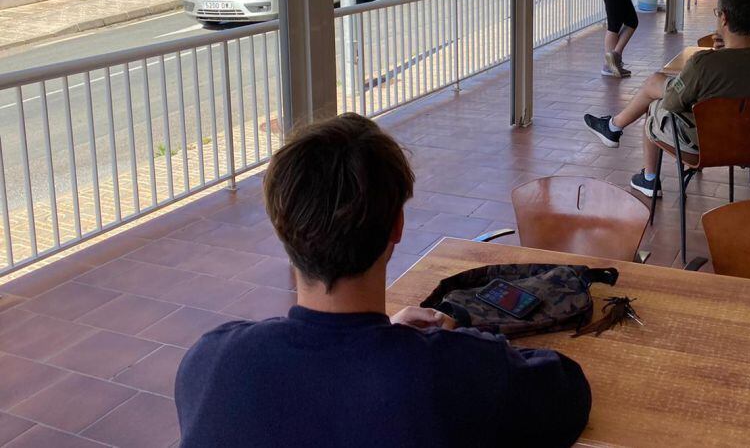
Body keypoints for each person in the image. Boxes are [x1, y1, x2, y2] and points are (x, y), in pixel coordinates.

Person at [175, 113, 591, 448]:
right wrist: (458, 340)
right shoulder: (459, 374)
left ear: (281, 227)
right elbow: (569, 392)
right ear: (397, 226)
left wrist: (382, 338)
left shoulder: (212, 362)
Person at [584, 0, 750, 198]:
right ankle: (614, 129)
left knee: (654, 101)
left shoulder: (704, 63)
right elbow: (747, 68)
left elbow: (672, 104)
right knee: (659, 86)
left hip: (703, 145)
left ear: (724, 18)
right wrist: (729, 49)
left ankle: (647, 175)